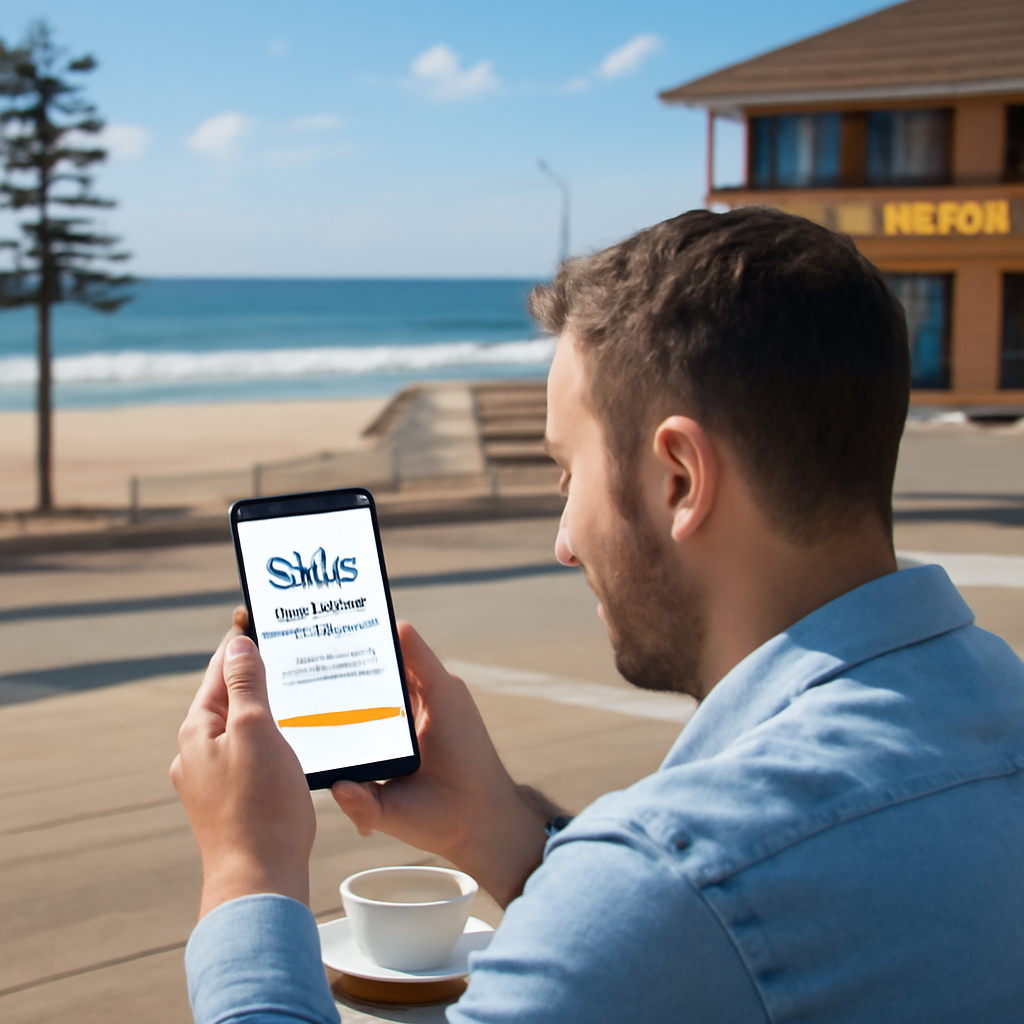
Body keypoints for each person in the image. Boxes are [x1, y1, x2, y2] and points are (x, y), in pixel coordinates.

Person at [172, 208, 1024, 1024]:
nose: (564, 542)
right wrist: (501, 831)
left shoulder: (675, 876)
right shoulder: (999, 701)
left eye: (566, 472)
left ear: (679, 480)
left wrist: (248, 871)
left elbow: (685, 910)